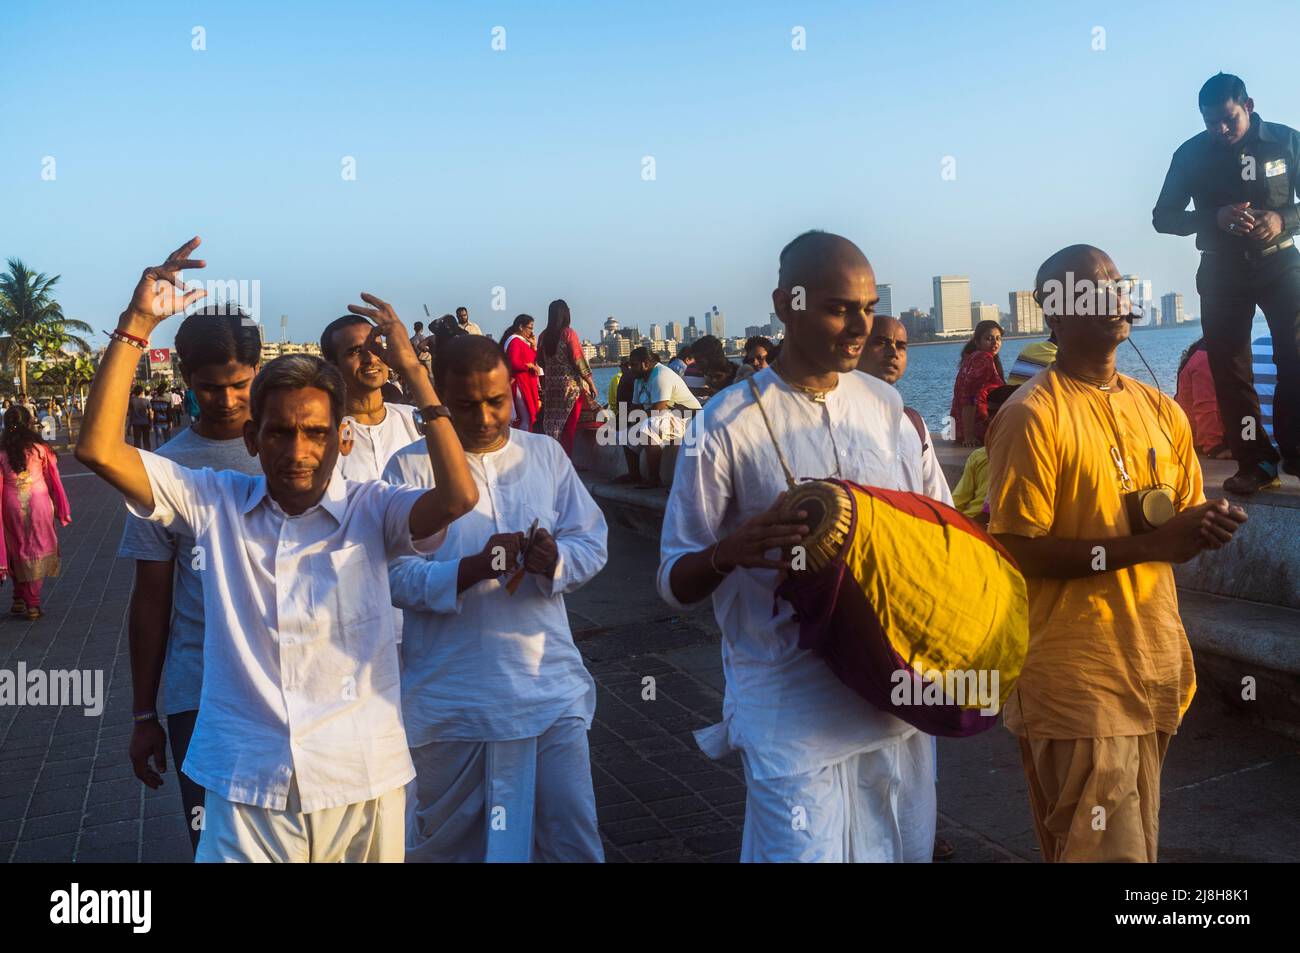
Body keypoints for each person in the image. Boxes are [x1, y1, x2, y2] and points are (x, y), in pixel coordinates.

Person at [75, 237, 478, 863]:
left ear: (343, 440)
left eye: (316, 433)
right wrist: (136, 326)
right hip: (245, 776)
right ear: (254, 442)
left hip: (360, 776)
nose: (298, 451)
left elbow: (456, 497)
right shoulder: (214, 502)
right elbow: (98, 451)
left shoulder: (373, 507)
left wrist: (416, 374)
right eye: (280, 433)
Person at [657, 231, 946, 862]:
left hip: (894, 696)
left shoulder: (888, 408)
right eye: (839, 307)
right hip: (789, 706)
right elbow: (673, 579)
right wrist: (729, 551)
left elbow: (942, 535)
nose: (859, 327)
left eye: (868, 308)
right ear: (785, 304)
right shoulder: (723, 422)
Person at [986, 244, 1248, 863]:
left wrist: (1201, 529)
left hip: (1152, 666)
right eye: (1089, 290)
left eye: (1116, 285)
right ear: (1054, 315)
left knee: (1134, 851)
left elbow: (1173, 536)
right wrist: (1148, 545)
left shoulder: (1160, 409)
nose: (1112, 298)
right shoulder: (1032, 415)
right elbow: (1017, 550)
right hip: (1076, 678)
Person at [386, 335, 608, 862]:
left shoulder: (544, 455)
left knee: (571, 839)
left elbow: (592, 541)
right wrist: (473, 569)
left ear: (513, 391)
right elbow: (391, 577)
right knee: (452, 847)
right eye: (466, 405)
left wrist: (555, 559)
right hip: (452, 698)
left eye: (496, 401)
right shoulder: (409, 468)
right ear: (438, 397)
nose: (486, 418)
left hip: (548, 686)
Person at [119, 307, 262, 855]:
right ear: (185, 378)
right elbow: (151, 600)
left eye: (239, 384)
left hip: (285, 691)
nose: (226, 400)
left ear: (255, 371)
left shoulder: (291, 453)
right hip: (199, 696)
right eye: (210, 387)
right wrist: (142, 714)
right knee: (216, 845)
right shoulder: (164, 469)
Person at [1153, 72, 1300, 494]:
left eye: (1227, 119)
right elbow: (1163, 217)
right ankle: (1256, 462)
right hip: (1221, 269)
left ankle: (1297, 448)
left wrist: (1282, 219)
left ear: (1248, 106)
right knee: (1230, 368)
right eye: (1209, 121)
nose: (1219, 130)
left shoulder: (1286, 142)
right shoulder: (1191, 155)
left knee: (1296, 352)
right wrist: (1212, 218)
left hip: (1281, 264)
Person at [854, 312, 956, 862]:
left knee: (916, 749)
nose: (892, 352)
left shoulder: (911, 425)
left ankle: (916, 837)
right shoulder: (828, 419)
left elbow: (942, 513)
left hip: (911, 612)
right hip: (852, 613)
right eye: (880, 343)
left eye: (901, 345)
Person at [321, 314, 423, 481]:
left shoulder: (414, 421)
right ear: (333, 366)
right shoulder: (323, 435)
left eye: (376, 349)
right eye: (355, 352)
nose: (370, 359)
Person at [0, 405, 70, 620]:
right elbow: (52, 478)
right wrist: (60, 505)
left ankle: (18, 598)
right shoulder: (40, 448)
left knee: (15, 548)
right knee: (36, 549)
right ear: (29, 422)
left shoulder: (2, 450)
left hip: (10, 503)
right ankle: (33, 603)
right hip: (38, 502)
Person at [623, 346, 700, 489]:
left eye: (633, 364)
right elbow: (635, 408)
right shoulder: (639, 380)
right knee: (627, 434)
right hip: (664, 414)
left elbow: (659, 408)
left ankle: (654, 478)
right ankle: (634, 475)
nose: (630, 368)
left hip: (686, 417)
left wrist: (640, 422)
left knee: (649, 428)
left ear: (645, 363)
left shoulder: (660, 375)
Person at [537, 299, 598, 455]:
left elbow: (540, 361)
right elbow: (578, 360)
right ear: (565, 314)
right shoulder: (568, 333)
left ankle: (554, 460)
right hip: (570, 389)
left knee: (553, 426)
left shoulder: (543, 336)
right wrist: (590, 382)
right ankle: (566, 464)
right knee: (568, 429)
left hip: (552, 388)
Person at [950, 384, 1017, 524]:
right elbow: (957, 501)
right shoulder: (979, 456)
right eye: (990, 413)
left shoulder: (1031, 457)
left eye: (998, 413)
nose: (990, 419)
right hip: (970, 524)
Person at [950, 320, 1005, 447]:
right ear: (977, 342)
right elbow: (968, 398)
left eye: (998, 338)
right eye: (989, 338)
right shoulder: (983, 359)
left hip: (958, 430)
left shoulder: (971, 357)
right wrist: (969, 437)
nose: (995, 342)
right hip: (976, 430)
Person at [1176, 339, 1231, 458]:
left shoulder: (1209, 353)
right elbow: (1204, 406)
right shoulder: (1205, 359)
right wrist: (1214, 447)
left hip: (1208, 436)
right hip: (1200, 440)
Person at [501, 314, 541, 431]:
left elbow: (533, 359)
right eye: (530, 328)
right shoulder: (515, 342)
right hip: (520, 383)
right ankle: (523, 446)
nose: (531, 331)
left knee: (529, 417)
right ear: (521, 327)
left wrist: (534, 346)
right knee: (526, 418)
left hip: (527, 383)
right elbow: (512, 362)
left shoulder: (522, 342)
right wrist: (527, 367)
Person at [128, 386, 153, 450]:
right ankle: (148, 454)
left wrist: (129, 425)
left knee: (137, 440)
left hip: (136, 423)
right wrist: (151, 423)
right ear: (142, 392)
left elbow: (130, 414)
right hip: (145, 423)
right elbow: (151, 413)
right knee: (146, 440)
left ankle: (139, 455)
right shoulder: (146, 401)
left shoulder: (132, 401)